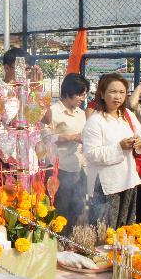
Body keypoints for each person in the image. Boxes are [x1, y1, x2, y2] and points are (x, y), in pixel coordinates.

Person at [83, 73, 141, 229]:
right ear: (102, 94)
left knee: (126, 227)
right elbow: (91, 154)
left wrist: (140, 142)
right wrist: (119, 147)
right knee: (105, 230)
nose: (117, 97)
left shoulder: (127, 115)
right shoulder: (95, 121)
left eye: (121, 92)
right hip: (106, 184)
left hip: (128, 179)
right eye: (112, 92)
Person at [50, 73, 90, 230]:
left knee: (77, 209)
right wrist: (71, 137)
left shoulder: (81, 113)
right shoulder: (53, 112)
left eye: (85, 95)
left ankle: (70, 244)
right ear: (68, 92)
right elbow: (45, 138)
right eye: (80, 94)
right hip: (59, 169)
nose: (83, 98)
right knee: (61, 211)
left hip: (78, 169)